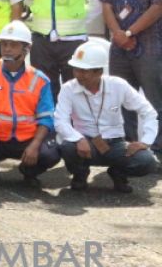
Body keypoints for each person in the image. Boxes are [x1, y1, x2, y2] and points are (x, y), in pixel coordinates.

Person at [55, 38, 158, 193]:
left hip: (115, 144)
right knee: (68, 147)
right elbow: (60, 121)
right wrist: (78, 138)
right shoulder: (68, 89)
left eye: (85, 71)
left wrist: (145, 141)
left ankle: (118, 173)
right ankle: (80, 174)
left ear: (99, 72)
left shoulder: (118, 85)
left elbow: (148, 112)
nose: (79, 75)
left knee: (147, 161)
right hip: (85, 143)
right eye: (76, 69)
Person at [0, 20, 60, 186]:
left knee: (51, 153)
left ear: (26, 49)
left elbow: (47, 118)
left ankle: (28, 172)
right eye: (4, 44)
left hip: (28, 138)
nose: (7, 49)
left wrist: (35, 145)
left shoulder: (40, 79)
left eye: (13, 45)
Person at [100, 0, 162, 155]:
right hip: (119, 47)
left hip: (149, 46)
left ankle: (154, 149)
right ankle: (126, 147)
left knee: (154, 101)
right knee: (120, 99)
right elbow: (106, 4)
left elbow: (157, 6)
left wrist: (129, 32)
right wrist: (117, 33)